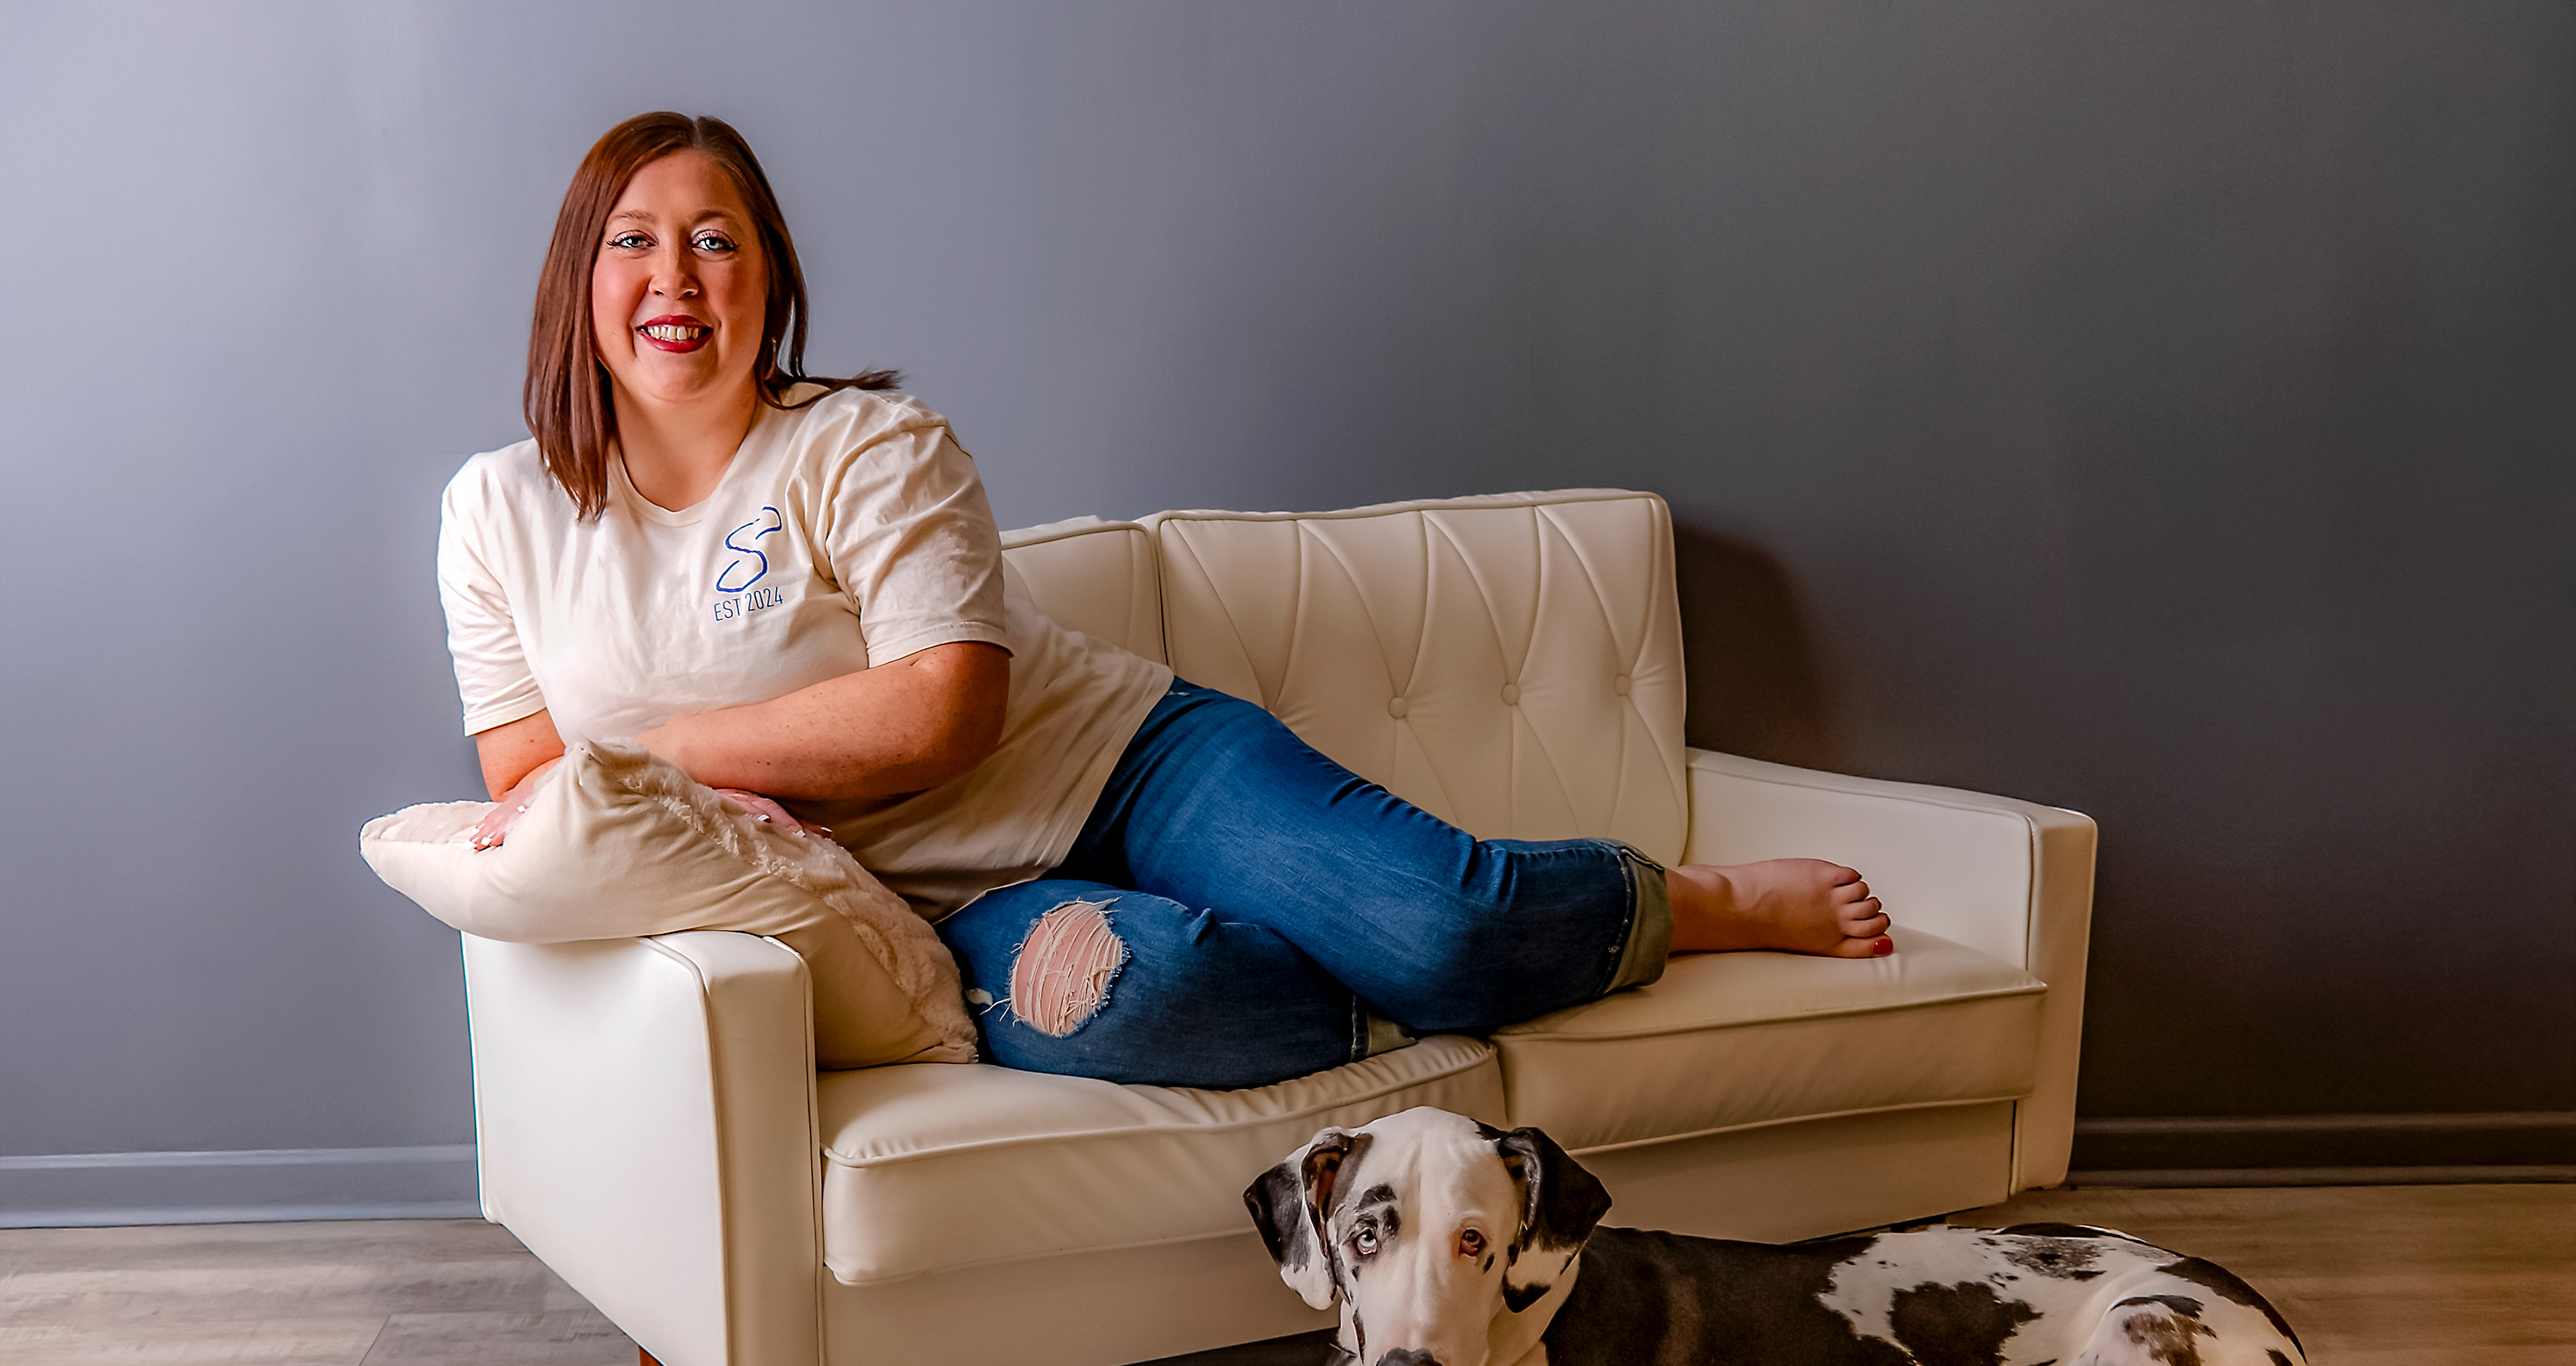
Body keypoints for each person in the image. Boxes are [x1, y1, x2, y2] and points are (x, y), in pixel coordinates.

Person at [441, 113, 1892, 1090]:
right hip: (941, 903)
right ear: (579, 277)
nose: (676, 276)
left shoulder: (867, 444)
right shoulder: (495, 512)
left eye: (716, 238)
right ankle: (1410, 962)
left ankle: (1679, 904)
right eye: (633, 239)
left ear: (769, 277)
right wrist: (674, 796)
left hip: (1130, 765)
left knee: (1439, 928)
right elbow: (527, 783)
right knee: (1143, 999)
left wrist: (671, 755)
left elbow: (944, 709)